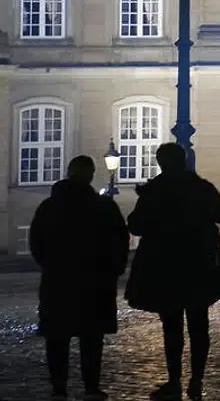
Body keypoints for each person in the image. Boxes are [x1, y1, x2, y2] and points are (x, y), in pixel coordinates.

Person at [126, 142, 220, 401]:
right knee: (198, 324)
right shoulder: (200, 187)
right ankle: (196, 378)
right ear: (183, 160)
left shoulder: (155, 191)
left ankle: (174, 380)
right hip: (198, 264)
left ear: (161, 163)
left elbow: (137, 225)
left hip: (165, 267)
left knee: (171, 325)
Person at [29, 155, 129, 401]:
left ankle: (59, 389)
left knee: (57, 339)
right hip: (95, 282)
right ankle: (91, 387)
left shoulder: (49, 207)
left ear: (68, 173)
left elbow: (36, 243)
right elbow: (120, 243)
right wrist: (112, 271)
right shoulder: (104, 207)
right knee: (92, 339)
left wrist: (50, 266)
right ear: (91, 176)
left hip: (58, 281)